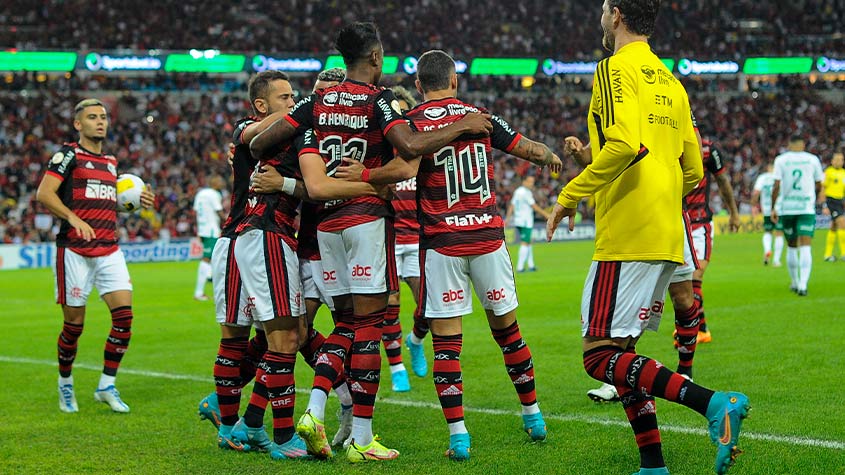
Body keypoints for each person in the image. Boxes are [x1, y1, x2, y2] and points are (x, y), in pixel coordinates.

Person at [251, 22, 492, 463]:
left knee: (345, 324)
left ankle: (317, 408)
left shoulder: (316, 101)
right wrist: (461, 129)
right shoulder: (378, 101)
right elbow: (411, 146)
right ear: (377, 59)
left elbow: (260, 141)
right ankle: (362, 438)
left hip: (324, 228)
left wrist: (278, 161)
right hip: (365, 221)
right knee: (368, 328)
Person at [545, 2, 749, 474]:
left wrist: (569, 195)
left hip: (628, 234)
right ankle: (653, 464)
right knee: (623, 355)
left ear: (615, 14)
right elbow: (693, 171)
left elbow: (623, 146)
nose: (600, 15)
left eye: (601, 8)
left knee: (599, 357)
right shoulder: (672, 81)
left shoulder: (614, 68)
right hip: (667, 231)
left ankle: (714, 403)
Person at [337, 49, 562, 461]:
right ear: (454, 81)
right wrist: (550, 155)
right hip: (487, 241)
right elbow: (527, 148)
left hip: (442, 245)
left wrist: (365, 175)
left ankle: (459, 436)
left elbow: (403, 172)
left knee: (447, 345)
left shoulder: (412, 124)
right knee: (509, 333)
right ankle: (533, 415)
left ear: (419, 86)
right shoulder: (479, 116)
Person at [196, 70, 302, 454]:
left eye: (295, 97)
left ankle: (241, 424)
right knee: (260, 338)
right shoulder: (249, 127)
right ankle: (259, 431)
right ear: (261, 105)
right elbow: (252, 137)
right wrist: (303, 111)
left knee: (262, 337)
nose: (293, 103)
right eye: (286, 98)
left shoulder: (292, 134)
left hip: (246, 239)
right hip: (248, 235)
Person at [36, 98, 155, 414]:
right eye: (92, 117)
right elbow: (44, 194)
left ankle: (106, 384)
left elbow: (102, 200)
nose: (100, 121)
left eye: (103, 117)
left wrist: (132, 201)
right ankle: (65, 383)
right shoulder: (68, 155)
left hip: (109, 249)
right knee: (74, 326)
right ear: (79, 124)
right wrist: (73, 218)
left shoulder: (112, 162)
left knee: (124, 318)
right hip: (74, 250)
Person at [684, 137, 740, 343]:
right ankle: (698, 327)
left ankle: (696, 331)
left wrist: (734, 213)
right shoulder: (666, 144)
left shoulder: (708, 149)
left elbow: (723, 181)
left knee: (694, 276)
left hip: (700, 223)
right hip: (677, 223)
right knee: (680, 283)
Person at [383, 85, 419, 390]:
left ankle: (416, 339)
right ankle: (396, 369)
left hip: (419, 239)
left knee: (429, 308)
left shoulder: (420, 147)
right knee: (390, 304)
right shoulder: (382, 149)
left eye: (403, 107)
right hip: (391, 239)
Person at [771, 135, 824, 296]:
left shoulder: (781, 160)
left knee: (792, 246)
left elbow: (777, 185)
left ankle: (794, 282)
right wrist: (811, 195)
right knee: (806, 245)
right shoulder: (812, 159)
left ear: (789, 144)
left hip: (788, 208)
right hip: (806, 207)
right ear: (803, 145)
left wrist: (774, 207)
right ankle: (803, 285)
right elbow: (819, 183)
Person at [505, 175, 551, 272]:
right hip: (525, 221)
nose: (531, 184)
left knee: (529, 242)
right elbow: (534, 206)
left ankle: (531, 265)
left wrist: (508, 218)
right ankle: (520, 267)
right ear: (524, 182)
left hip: (518, 219)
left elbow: (512, 205)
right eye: (529, 182)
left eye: (532, 182)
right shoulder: (526, 193)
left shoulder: (518, 191)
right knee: (525, 243)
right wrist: (546, 215)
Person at [193, 175, 226, 301]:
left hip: (203, 229)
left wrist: (199, 231)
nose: (222, 183)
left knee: (214, 258)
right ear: (215, 183)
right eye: (220, 181)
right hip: (211, 230)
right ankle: (199, 292)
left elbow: (197, 212)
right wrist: (230, 221)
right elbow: (219, 211)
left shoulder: (200, 193)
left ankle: (210, 276)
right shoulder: (214, 194)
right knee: (207, 258)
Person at [751, 163, 784, 266]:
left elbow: (756, 192)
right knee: (779, 233)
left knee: (768, 232)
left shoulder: (763, 178)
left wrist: (754, 206)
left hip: (766, 210)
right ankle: (776, 260)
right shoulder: (780, 178)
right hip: (779, 209)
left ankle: (767, 250)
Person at [822, 152, 845, 261]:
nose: (839, 161)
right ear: (832, 161)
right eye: (837, 159)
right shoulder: (828, 172)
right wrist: (824, 205)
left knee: (834, 227)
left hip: (840, 201)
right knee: (842, 224)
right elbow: (823, 189)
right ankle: (844, 253)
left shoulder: (844, 173)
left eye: (841, 159)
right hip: (831, 200)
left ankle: (827, 254)